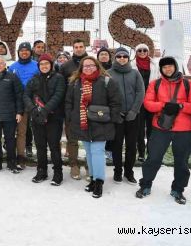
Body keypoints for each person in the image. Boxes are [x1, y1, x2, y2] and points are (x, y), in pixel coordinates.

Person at [136, 56, 191, 204]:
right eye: (164, 67)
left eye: (170, 66)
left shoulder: (188, 84)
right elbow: (148, 104)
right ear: (161, 70)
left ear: (175, 66)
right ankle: (145, 184)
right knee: (153, 158)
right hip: (161, 127)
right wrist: (164, 105)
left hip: (184, 129)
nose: (168, 69)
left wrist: (180, 106)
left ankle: (178, 189)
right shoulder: (155, 84)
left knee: (182, 161)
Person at [65, 56, 122, 198]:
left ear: (97, 66)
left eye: (91, 65)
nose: (88, 68)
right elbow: (69, 102)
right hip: (82, 123)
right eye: (85, 66)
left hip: (101, 123)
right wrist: (71, 117)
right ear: (81, 68)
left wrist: (111, 120)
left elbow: (115, 102)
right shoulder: (75, 83)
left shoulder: (107, 82)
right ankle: (92, 177)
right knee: (89, 152)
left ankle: (99, 181)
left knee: (97, 151)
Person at [23, 54, 66, 185]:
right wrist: (33, 110)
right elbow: (26, 95)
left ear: (51, 65)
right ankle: (41, 171)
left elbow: (58, 95)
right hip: (37, 117)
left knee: (54, 146)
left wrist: (45, 110)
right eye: (41, 64)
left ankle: (58, 173)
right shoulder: (34, 79)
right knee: (40, 146)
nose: (44, 66)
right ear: (38, 66)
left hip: (53, 117)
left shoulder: (58, 78)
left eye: (46, 63)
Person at [107, 48, 145, 184]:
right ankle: (117, 171)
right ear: (115, 58)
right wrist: (114, 113)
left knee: (131, 145)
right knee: (116, 145)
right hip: (117, 116)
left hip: (133, 116)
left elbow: (140, 92)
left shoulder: (135, 73)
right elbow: (107, 95)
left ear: (128, 59)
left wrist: (134, 111)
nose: (122, 58)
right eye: (119, 56)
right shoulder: (108, 74)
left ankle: (129, 172)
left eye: (124, 56)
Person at [60, 38, 89, 180]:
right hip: (71, 106)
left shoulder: (91, 63)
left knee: (89, 138)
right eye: (76, 47)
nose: (78, 49)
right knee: (72, 138)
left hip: (89, 106)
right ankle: (73, 165)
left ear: (85, 47)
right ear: (73, 48)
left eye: (81, 46)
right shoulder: (66, 66)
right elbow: (61, 88)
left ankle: (90, 166)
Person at [8, 42, 39, 167]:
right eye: (22, 50)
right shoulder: (13, 67)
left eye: (26, 50)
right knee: (21, 131)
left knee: (39, 130)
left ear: (30, 52)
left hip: (35, 102)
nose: (24, 52)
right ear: (18, 52)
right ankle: (21, 156)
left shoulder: (37, 65)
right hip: (20, 103)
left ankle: (41, 154)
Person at [131, 43, 160, 162]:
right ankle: (141, 153)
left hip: (151, 99)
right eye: (139, 51)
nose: (142, 52)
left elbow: (159, 80)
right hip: (138, 100)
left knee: (151, 128)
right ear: (136, 52)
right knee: (139, 129)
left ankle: (151, 152)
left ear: (148, 52)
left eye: (144, 50)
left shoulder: (155, 64)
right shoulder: (131, 65)